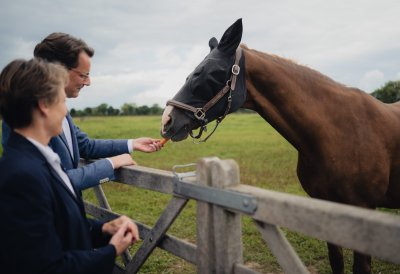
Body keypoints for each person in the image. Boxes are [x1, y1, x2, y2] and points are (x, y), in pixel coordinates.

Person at [0, 58, 139, 274]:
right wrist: (111, 251)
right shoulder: (22, 176)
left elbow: (56, 227)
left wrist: (102, 229)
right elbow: (47, 267)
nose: (66, 112)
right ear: (44, 105)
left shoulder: (38, 160)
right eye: (62, 101)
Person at [1, 32, 163, 190]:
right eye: (84, 75)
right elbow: (50, 183)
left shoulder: (57, 111)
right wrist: (110, 164)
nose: (88, 82)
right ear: (59, 70)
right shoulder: (23, 118)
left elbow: (85, 146)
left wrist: (132, 144)